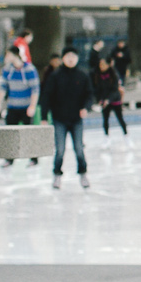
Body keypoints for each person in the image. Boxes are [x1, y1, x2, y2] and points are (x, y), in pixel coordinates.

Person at [39, 48, 94, 190]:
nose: (70, 59)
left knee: (79, 149)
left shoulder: (82, 75)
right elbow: (46, 96)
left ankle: (83, 173)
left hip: (76, 120)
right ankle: (57, 175)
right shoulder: (55, 76)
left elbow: (89, 94)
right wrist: (44, 117)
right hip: (59, 119)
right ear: (63, 58)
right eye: (68, 56)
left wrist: (85, 107)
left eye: (73, 56)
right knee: (60, 150)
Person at [0, 46, 41, 167]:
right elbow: (3, 87)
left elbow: (35, 89)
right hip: (13, 106)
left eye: (8, 55)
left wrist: (32, 106)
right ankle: (9, 158)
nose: (6, 58)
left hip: (26, 107)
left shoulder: (29, 69)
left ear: (14, 55)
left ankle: (34, 158)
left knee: (28, 133)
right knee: (10, 133)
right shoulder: (7, 69)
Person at [93, 56, 127, 136]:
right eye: (100, 64)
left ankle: (126, 135)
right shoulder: (97, 75)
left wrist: (108, 100)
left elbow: (115, 90)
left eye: (103, 64)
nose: (101, 66)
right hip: (104, 101)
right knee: (105, 120)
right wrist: (100, 99)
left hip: (114, 100)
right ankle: (106, 137)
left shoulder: (114, 75)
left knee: (120, 118)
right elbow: (97, 89)